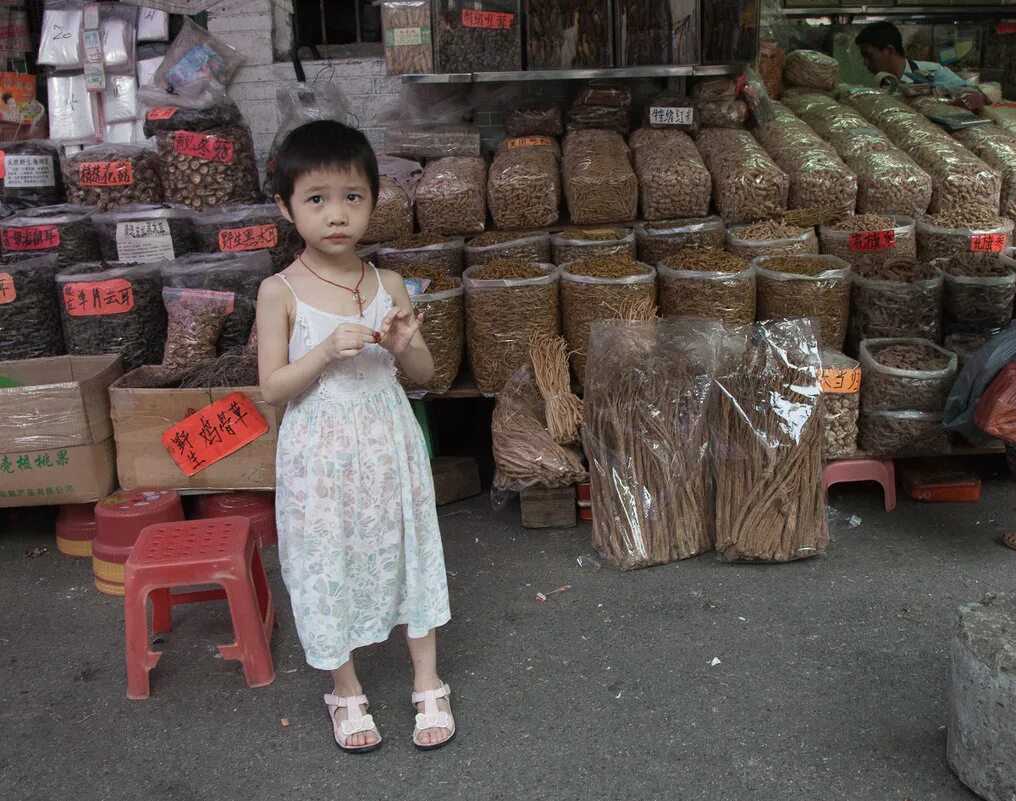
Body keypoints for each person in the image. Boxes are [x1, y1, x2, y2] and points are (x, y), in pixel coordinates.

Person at [256, 120, 454, 753]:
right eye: (316, 199)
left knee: (407, 546)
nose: (336, 215)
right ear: (287, 206)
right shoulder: (277, 291)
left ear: (372, 200)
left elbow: (426, 375)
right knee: (326, 558)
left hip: (387, 439)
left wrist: (404, 345)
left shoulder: (388, 285)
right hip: (319, 453)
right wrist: (321, 353)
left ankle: (428, 680)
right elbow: (274, 388)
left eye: (352, 197)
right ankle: (345, 690)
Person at [855, 21, 986, 109]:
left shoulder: (932, 71)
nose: (865, 63)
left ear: (889, 50)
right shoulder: (885, 82)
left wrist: (938, 94)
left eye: (869, 56)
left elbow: (977, 96)